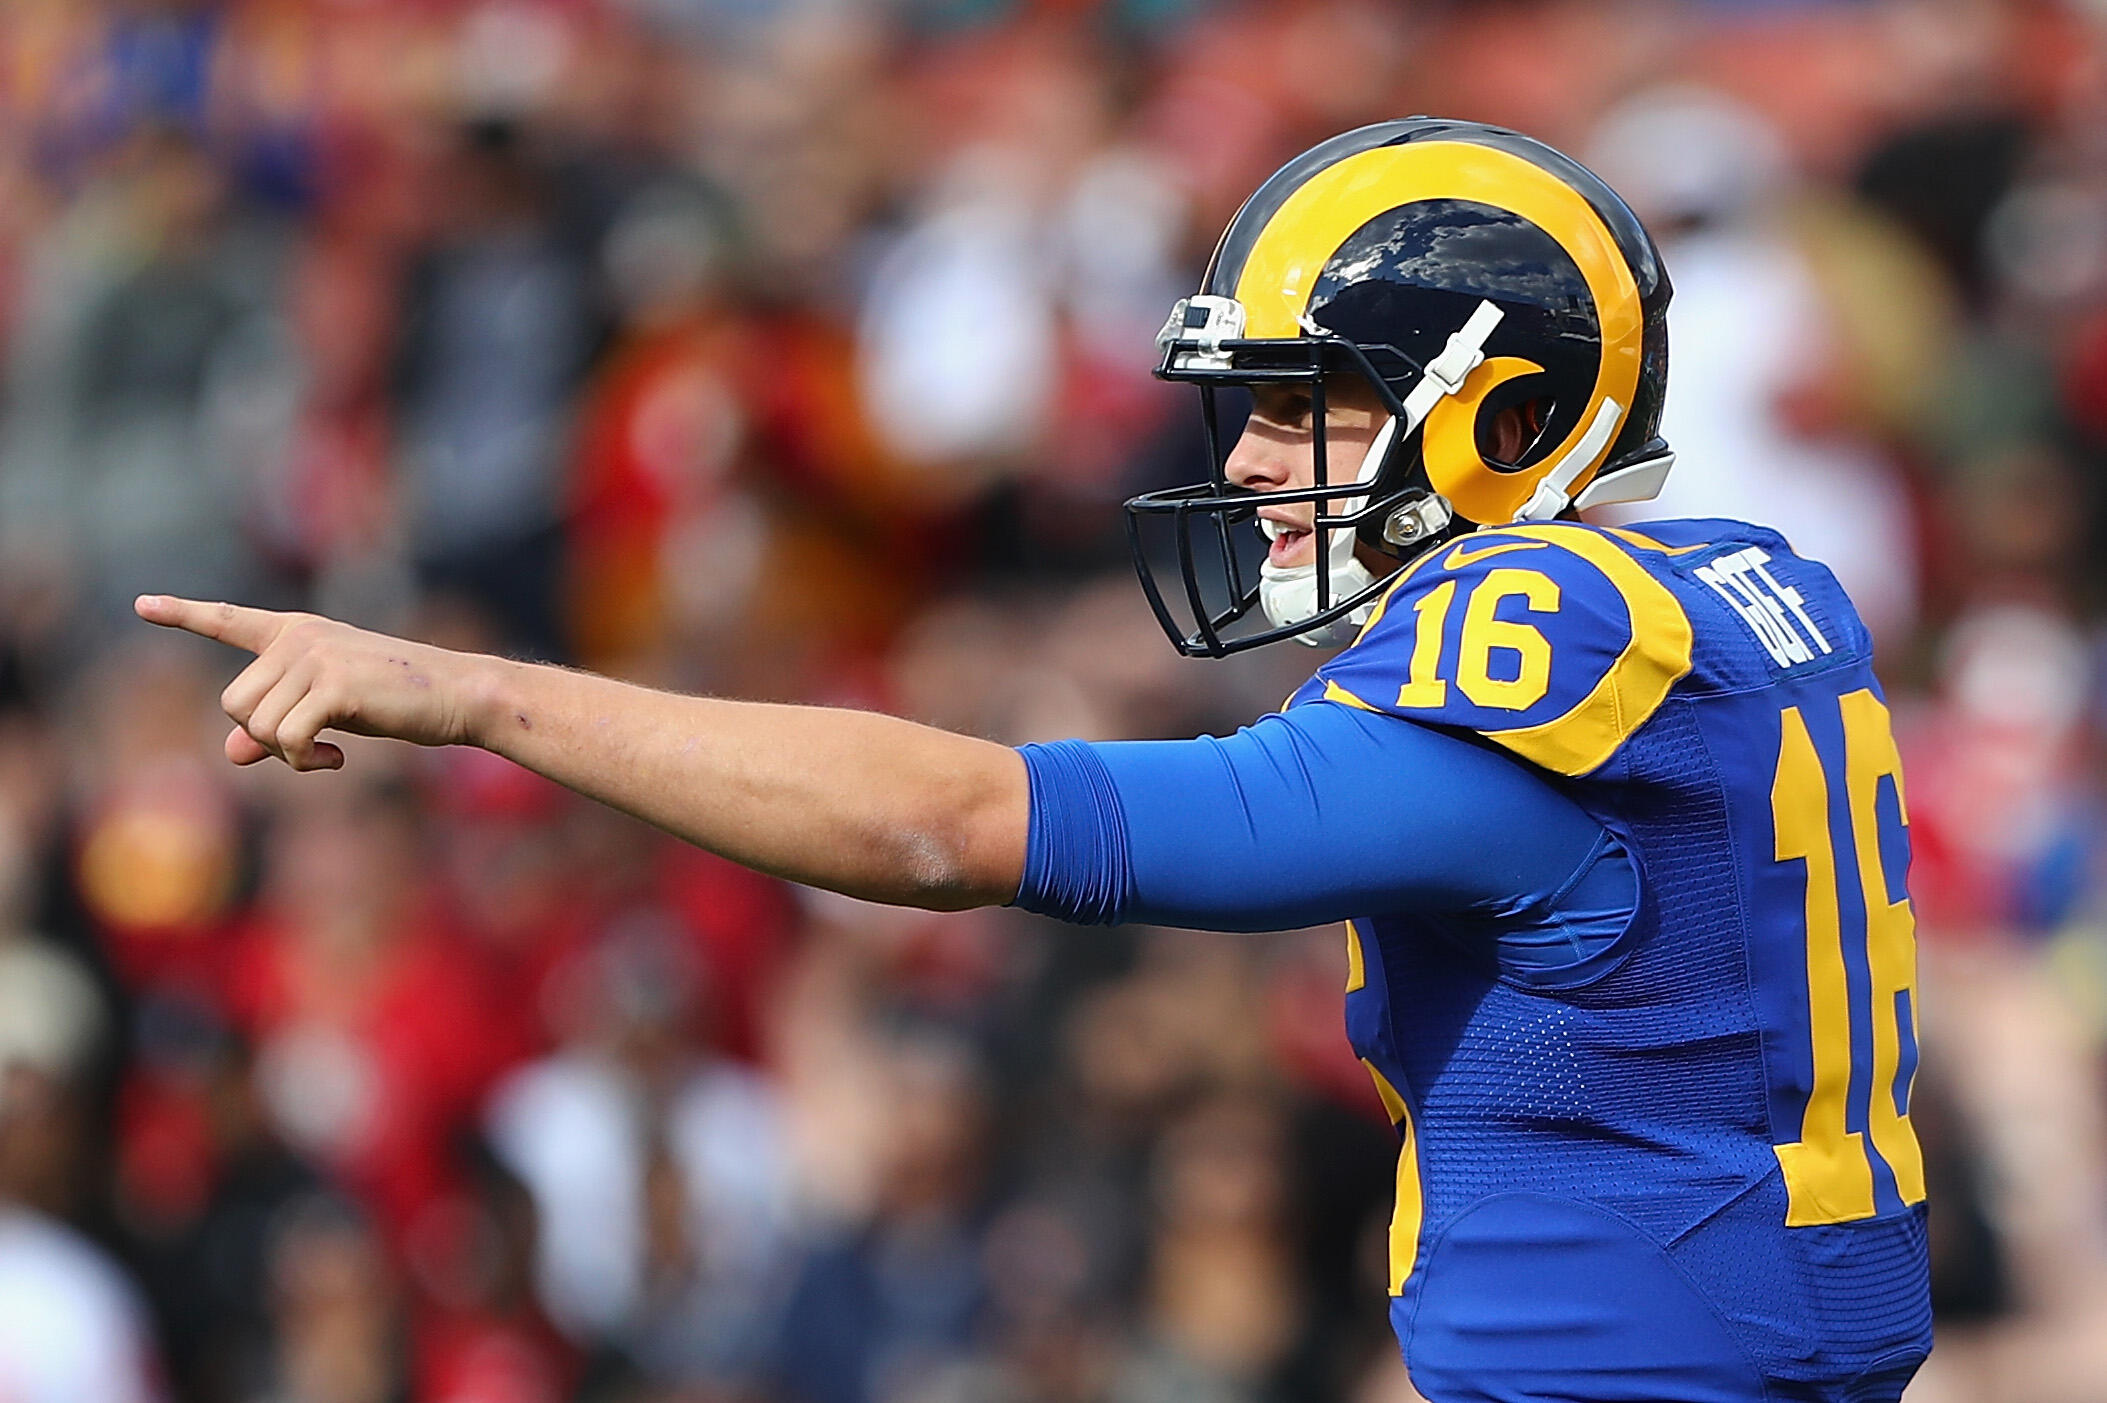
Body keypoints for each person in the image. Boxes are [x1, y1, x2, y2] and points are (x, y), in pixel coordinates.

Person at [139, 119, 1932, 1402]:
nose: (1245, 468)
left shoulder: (1537, 652)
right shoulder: (1741, 593)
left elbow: (959, 827)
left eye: (1309, 410)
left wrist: (473, 697)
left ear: (1516, 415)